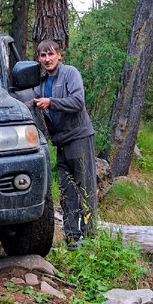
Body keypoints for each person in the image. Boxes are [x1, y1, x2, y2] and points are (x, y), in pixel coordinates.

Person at [31, 39, 99, 248]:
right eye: (43, 55)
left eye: (51, 54)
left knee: (85, 187)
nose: (47, 59)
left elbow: (78, 102)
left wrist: (51, 102)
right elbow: (32, 103)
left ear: (59, 55)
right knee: (67, 190)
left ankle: (90, 237)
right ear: (39, 59)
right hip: (61, 143)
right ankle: (71, 238)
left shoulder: (70, 73)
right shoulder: (40, 83)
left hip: (79, 137)